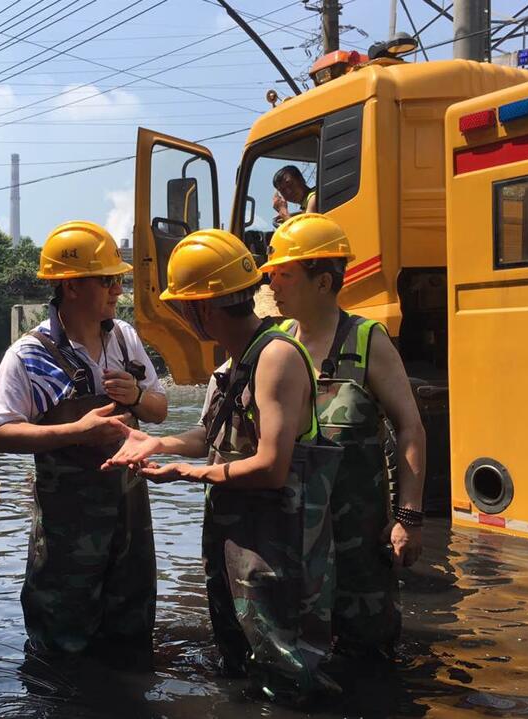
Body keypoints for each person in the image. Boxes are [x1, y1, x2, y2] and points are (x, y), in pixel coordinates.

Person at [103, 229, 342, 704]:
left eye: (183, 307)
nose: (182, 316)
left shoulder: (275, 358)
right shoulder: (233, 364)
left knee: (287, 673)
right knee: (240, 663)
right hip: (240, 546)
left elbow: (272, 466)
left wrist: (188, 474)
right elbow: (210, 439)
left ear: (203, 308)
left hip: (281, 550)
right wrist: (156, 444)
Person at [0, 220, 167, 661]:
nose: (117, 291)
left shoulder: (123, 339)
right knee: (62, 646)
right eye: (107, 281)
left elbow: (159, 410)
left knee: (132, 631)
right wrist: (75, 431)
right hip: (69, 529)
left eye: (118, 280)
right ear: (70, 286)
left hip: (130, 521)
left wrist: (137, 396)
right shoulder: (30, 354)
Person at [259, 213, 425, 658]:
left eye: (285, 274)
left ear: (323, 282)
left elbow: (409, 427)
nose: (272, 283)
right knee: (296, 659)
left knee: (367, 660)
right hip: (292, 546)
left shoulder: (367, 340)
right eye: (272, 273)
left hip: (358, 551)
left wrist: (408, 518)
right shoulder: (275, 344)